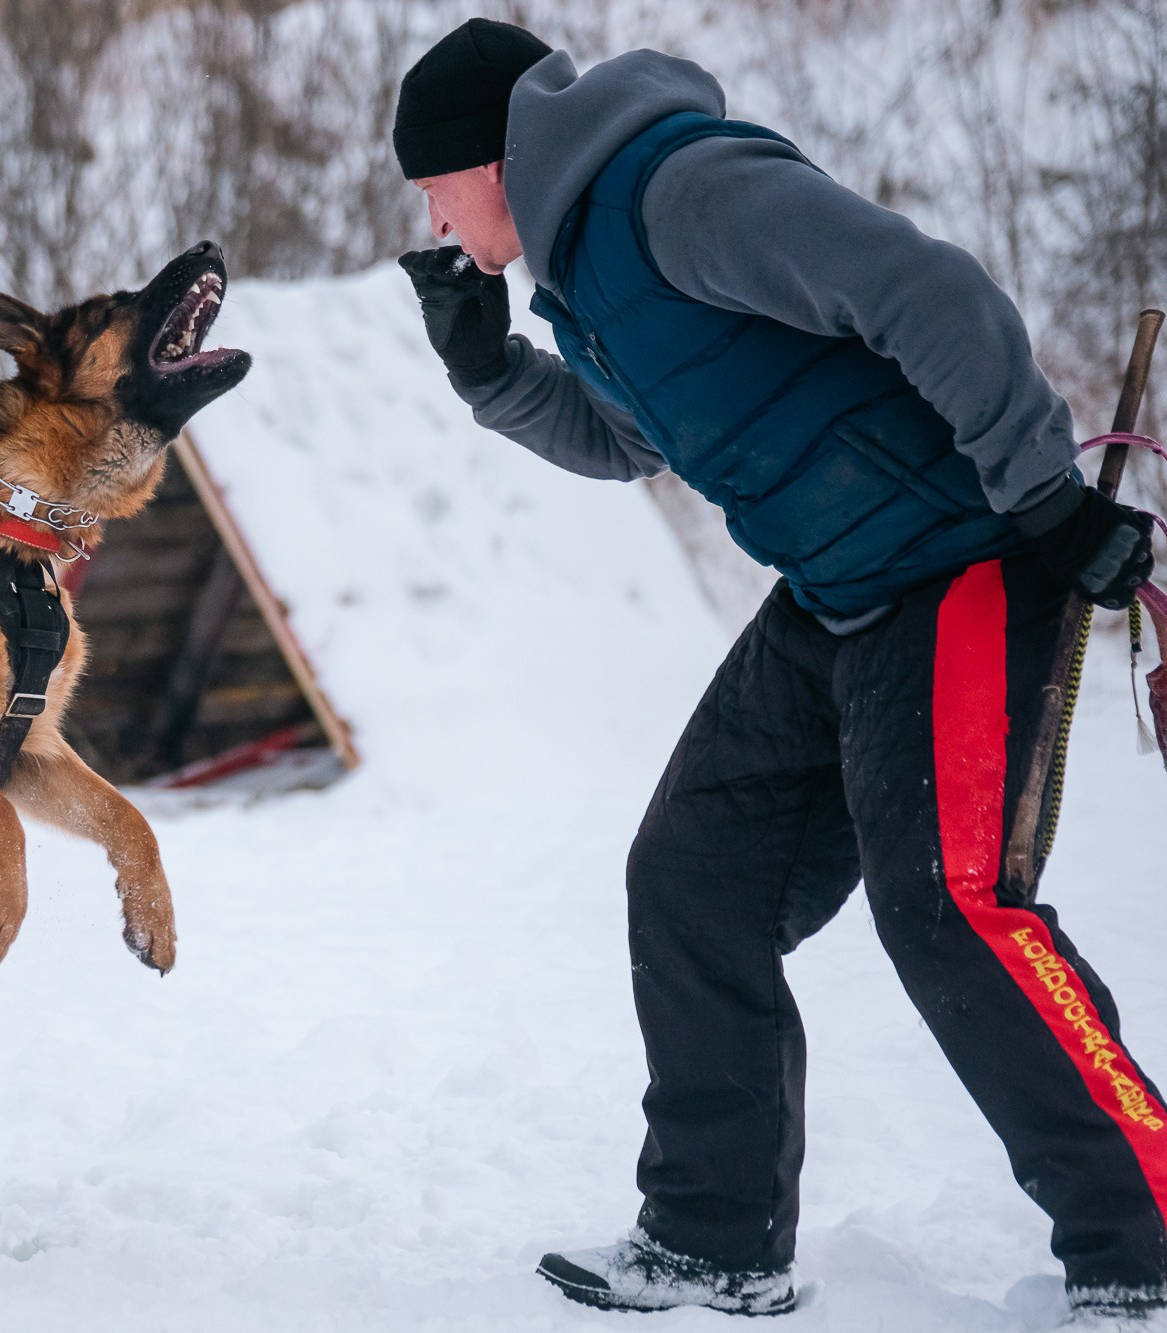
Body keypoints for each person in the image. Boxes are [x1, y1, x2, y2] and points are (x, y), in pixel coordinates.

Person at [392, 20, 1166, 1318]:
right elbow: (625, 441)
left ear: (495, 160)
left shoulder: (678, 187)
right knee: (694, 879)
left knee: (955, 907)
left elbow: (930, 291)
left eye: (432, 180)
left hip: (964, 560)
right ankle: (713, 1239)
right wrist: (489, 371)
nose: (427, 209)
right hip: (834, 593)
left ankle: (1143, 1236)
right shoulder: (583, 279)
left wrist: (1042, 493)